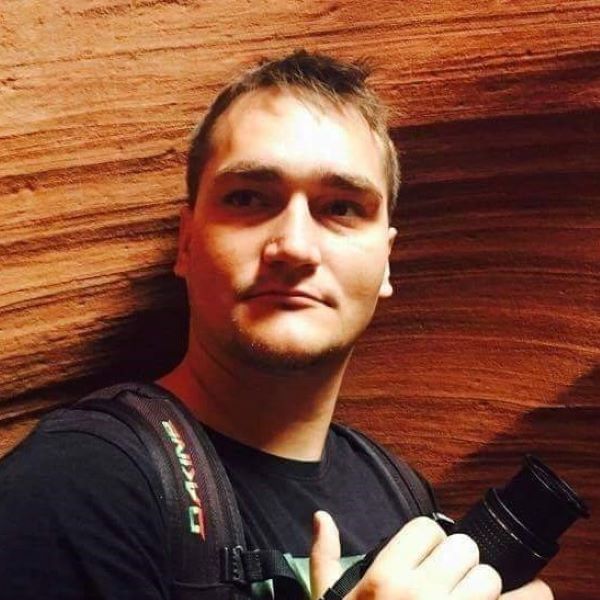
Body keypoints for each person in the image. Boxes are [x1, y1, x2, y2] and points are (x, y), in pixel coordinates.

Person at [0, 50, 552, 600]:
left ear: (386, 261)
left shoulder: (398, 491)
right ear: (187, 243)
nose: (293, 246)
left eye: (342, 208)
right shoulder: (76, 486)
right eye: (247, 198)